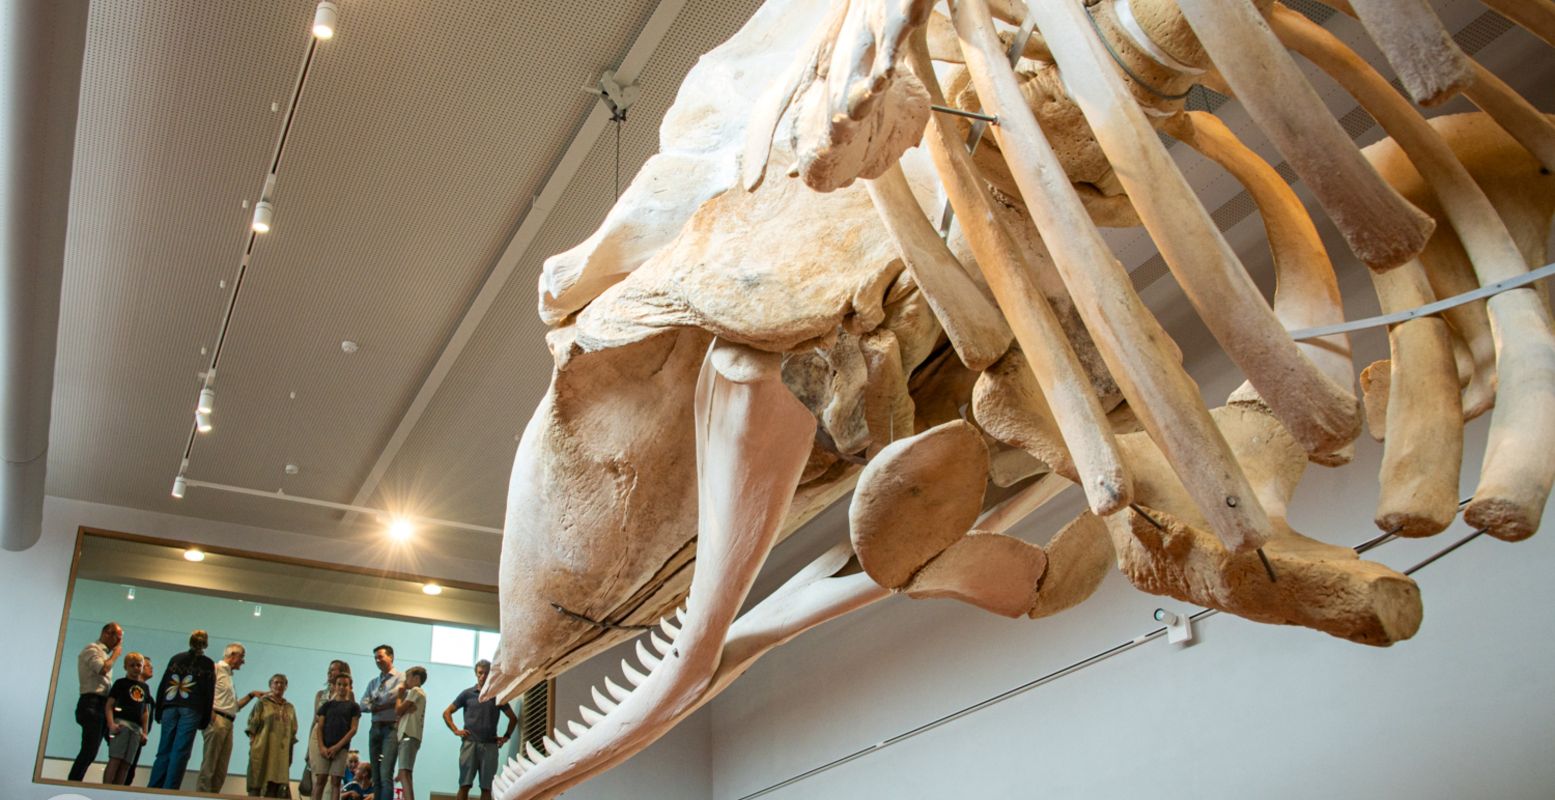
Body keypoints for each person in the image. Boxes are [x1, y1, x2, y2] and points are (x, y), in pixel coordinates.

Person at [148, 629, 217, 789]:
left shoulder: (176, 659)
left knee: (164, 749)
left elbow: (164, 684)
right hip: (192, 708)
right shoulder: (207, 664)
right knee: (181, 751)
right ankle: (170, 789)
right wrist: (205, 719)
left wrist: (159, 709)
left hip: (170, 705)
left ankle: (154, 787)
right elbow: (208, 692)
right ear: (205, 644)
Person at [442, 660, 518, 800]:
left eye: (486, 673)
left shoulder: (497, 695)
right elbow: (447, 712)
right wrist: (456, 730)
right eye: (480, 673)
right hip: (469, 744)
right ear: (476, 674)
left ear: (491, 675)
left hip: (490, 745)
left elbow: (513, 718)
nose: (483, 676)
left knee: (487, 787)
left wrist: (506, 736)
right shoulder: (467, 694)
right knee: (464, 785)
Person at [198, 642, 264, 792]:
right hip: (217, 720)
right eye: (242, 657)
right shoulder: (215, 669)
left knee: (221, 769)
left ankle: (213, 795)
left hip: (228, 722)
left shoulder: (228, 676)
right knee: (209, 765)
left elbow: (234, 707)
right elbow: (202, 692)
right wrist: (210, 715)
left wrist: (252, 695)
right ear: (233, 655)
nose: (243, 661)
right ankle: (201, 795)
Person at [68, 621, 122, 781]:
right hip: (91, 703)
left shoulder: (104, 654)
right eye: (117, 637)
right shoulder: (92, 649)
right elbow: (102, 669)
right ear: (107, 633)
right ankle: (73, 783)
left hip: (102, 705)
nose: (119, 642)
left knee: (114, 746)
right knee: (89, 750)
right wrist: (116, 655)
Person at [300, 659, 351, 796]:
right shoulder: (320, 694)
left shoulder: (347, 694)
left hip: (336, 735)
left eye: (333, 669)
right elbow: (314, 720)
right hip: (318, 735)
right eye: (329, 669)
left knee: (332, 781)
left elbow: (350, 719)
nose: (330, 672)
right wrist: (307, 750)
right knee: (318, 776)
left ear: (342, 673)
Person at [101, 651, 150, 785]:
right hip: (121, 723)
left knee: (127, 763)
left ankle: (118, 790)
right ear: (126, 667)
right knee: (116, 759)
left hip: (136, 728)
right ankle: (105, 789)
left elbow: (145, 711)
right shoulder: (120, 683)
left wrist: (144, 732)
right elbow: (109, 705)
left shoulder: (145, 687)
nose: (136, 668)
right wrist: (111, 724)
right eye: (132, 665)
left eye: (138, 665)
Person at [246, 673, 298, 797]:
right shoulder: (262, 703)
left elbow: (293, 731)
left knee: (275, 784)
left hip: (281, 752)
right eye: (276, 682)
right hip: (263, 747)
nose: (279, 685)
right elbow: (252, 726)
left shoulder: (290, 708)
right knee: (257, 780)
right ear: (270, 685)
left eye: (282, 683)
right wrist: (253, 744)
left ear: (286, 686)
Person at [360, 644, 402, 795]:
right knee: (376, 777)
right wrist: (379, 705)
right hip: (375, 728)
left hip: (390, 729)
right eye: (375, 658)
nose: (377, 660)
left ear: (391, 657)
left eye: (381, 657)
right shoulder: (373, 682)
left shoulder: (401, 678)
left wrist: (375, 702)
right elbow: (363, 705)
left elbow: (393, 696)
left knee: (385, 775)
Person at [311, 672, 360, 800]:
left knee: (336, 781)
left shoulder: (353, 707)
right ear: (334, 686)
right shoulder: (327, 706)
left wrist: (338, 747)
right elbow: (319, 727)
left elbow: (353, 729)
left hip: (341, 748)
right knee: (320, 779)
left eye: (345, 685)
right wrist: (321, 747)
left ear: (350, 687)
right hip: (324, 748)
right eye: (339, 684)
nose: (342, 687)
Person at [393, 666, 429, 800]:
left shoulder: (416, 690)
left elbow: (398, 710)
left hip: (409, 735)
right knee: (405, 772)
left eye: (408, 677)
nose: (406, 681)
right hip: (409, 736)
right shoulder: (415, 694)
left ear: (416, 678)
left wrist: (399, 696)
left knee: (404, 772)